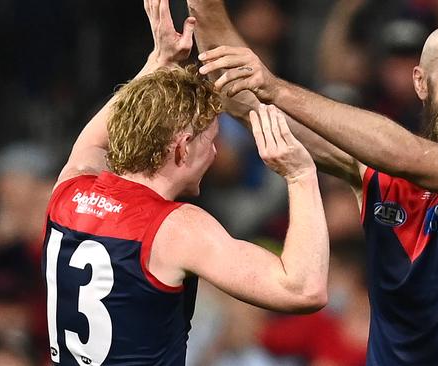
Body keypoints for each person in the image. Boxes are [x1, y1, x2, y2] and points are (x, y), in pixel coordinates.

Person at [188, 0, 438, 364]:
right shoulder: (376, 172)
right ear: (421, 83)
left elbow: (406, 155)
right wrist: (204, 8)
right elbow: (244, 97)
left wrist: (276, 88)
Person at [41, 0, 329, 364]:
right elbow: (303, 290)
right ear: (181, 149)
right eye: (211, 141)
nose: (214, 154)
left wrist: (158, 61)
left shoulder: (69, 190)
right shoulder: (176, 229)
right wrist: (301, 175)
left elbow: (97, 139)